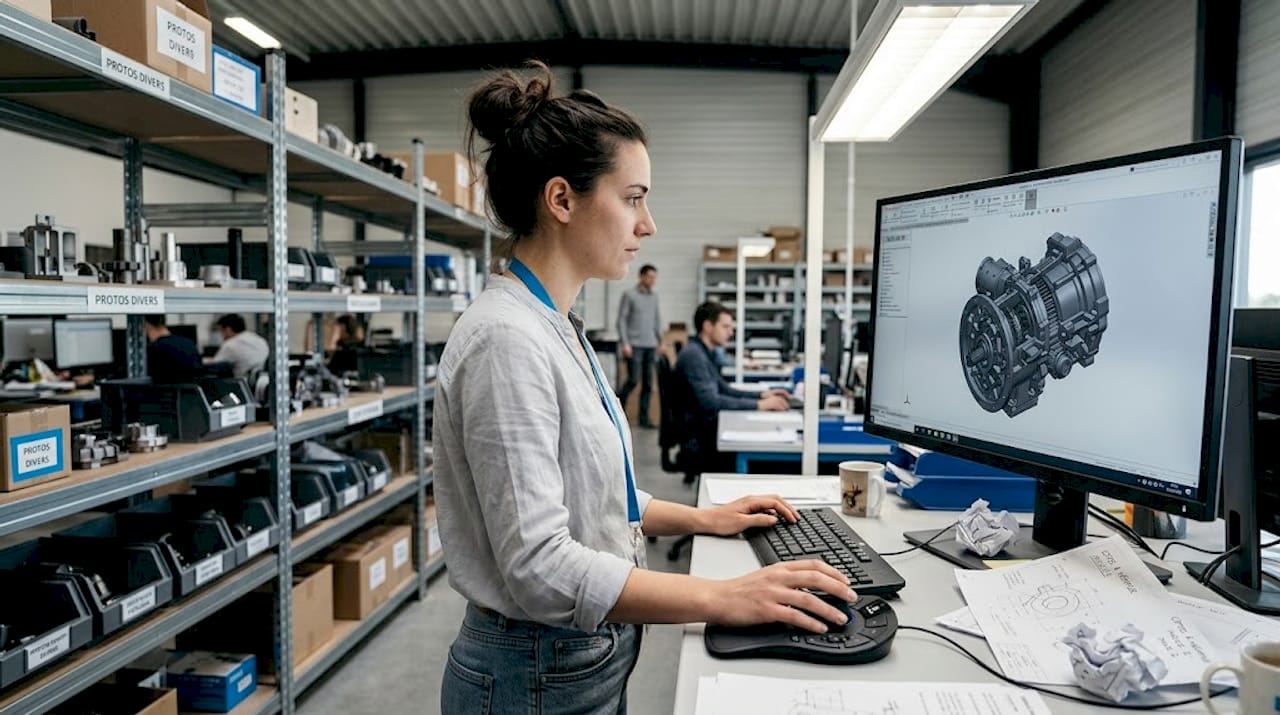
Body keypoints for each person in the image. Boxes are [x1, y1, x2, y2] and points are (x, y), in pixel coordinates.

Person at [433, 62, 854, 714]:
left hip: (575, 658)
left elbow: (593, 495)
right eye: (633, 198)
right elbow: (540, 566)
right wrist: (722, 595)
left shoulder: (556, 325)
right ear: (562, 200)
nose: (648, 223)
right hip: (535, 672)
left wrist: (703, 518)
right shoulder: (506, 341)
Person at [672, 301, 793, 472]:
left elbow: (725, 389)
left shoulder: (704, 352)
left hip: (706, 430)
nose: (731, 332)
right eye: (725, 326)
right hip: (701, 438)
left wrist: (762, 396)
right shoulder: (694, 356)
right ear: (708, 326)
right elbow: (711, 402)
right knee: (776, 462)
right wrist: (760, 405)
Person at [615, 263, 662, 428]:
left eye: (654, 277)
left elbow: (657, 320)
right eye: (650, 277)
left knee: (648, 384)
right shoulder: (629, 295)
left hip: (650, 344)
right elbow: (621, 320)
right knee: (633, 380)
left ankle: (644, 419)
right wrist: (625, 343)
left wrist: (659, 341)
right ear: (641, 276)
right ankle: (615, 412)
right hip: (634, 345)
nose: (652, 280)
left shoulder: (654, 297)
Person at [144, 314, 202, 383]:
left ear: (147, 325)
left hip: (169, 392)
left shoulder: (155, 348)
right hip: (195, 392)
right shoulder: (188, 343)